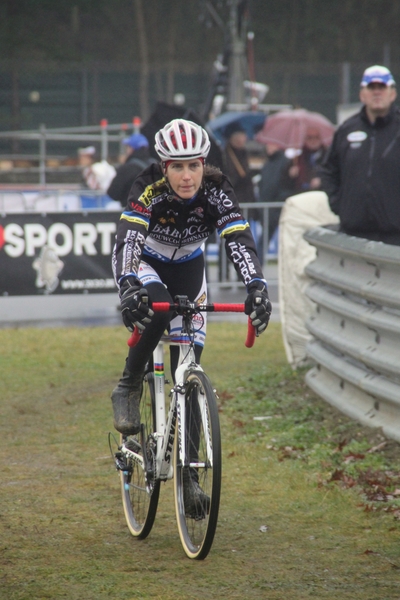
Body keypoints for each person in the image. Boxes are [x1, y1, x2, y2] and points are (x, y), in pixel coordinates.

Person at [110, 119, 272, 510]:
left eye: (194, 166)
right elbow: (130, 238)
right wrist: (130, 286)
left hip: (189, 268)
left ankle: (190, 478)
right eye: (177, 167)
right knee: (159, 309)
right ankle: (129, 384)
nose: (187, 176)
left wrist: (256, 286)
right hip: (144, 264)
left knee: (191, 374)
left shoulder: (216, 190)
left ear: (204, 164)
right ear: (163, 167)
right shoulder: (147, 186)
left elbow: (238, 238)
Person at [320, 65, 400, 245]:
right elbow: (328, 170)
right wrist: (340, 205)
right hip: (353, 234)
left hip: (394, 237)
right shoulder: (347, 130)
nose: (377, 93)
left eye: (382, 88)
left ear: (392, 93)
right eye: (371, 88)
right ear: (362, 94)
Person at [258, 142, 295, 240]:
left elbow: (287, 184)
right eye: (268, 144)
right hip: (268, 205)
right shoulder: (267, 163)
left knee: (285, 237)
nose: (269, 147)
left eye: (273, 144)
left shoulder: (286, 162)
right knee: (265, 237)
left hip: (279, 204)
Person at [107, 133, 156, 205]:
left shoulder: (127, 168)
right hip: (156, 212)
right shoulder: (156, 165)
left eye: (127, 147)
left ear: (131, 149)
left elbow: (113, 193)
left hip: (132, 213)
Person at [288, 127, 328, 194]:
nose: (313, 140)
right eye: (309, 138)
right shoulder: (298, 159)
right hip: (303, 194)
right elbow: (287, 184)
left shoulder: (327, 156)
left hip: (322, 194)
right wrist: (291, 174)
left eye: (316, 137)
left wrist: (322, 180)